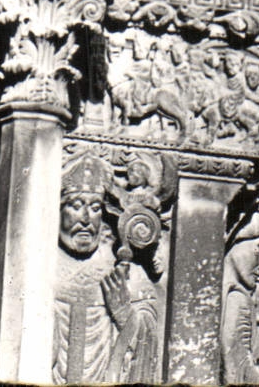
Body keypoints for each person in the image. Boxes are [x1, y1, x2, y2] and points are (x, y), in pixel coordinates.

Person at [53, 155, 161, 384]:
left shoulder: (125, 272)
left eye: (94, 208)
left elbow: (148, 342)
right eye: (75, 206)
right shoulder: (40, 264)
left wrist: (124, 314)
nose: (85, 219)